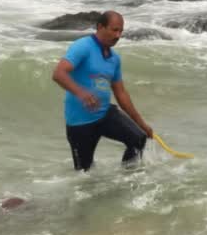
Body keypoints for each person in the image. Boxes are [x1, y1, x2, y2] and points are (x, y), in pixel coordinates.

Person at [50, 11, 153, 171]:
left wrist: (141, 124)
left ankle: (128, 180)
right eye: (114, 30)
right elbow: (58, 74)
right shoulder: (83, 47)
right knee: (84, 173)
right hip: (80, 123)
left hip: (105, 115)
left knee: (138, 139)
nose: (118, 35)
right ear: (100, 27)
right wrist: (82, 93)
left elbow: (121, 93)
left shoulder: (114, 58)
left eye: (120, 31)